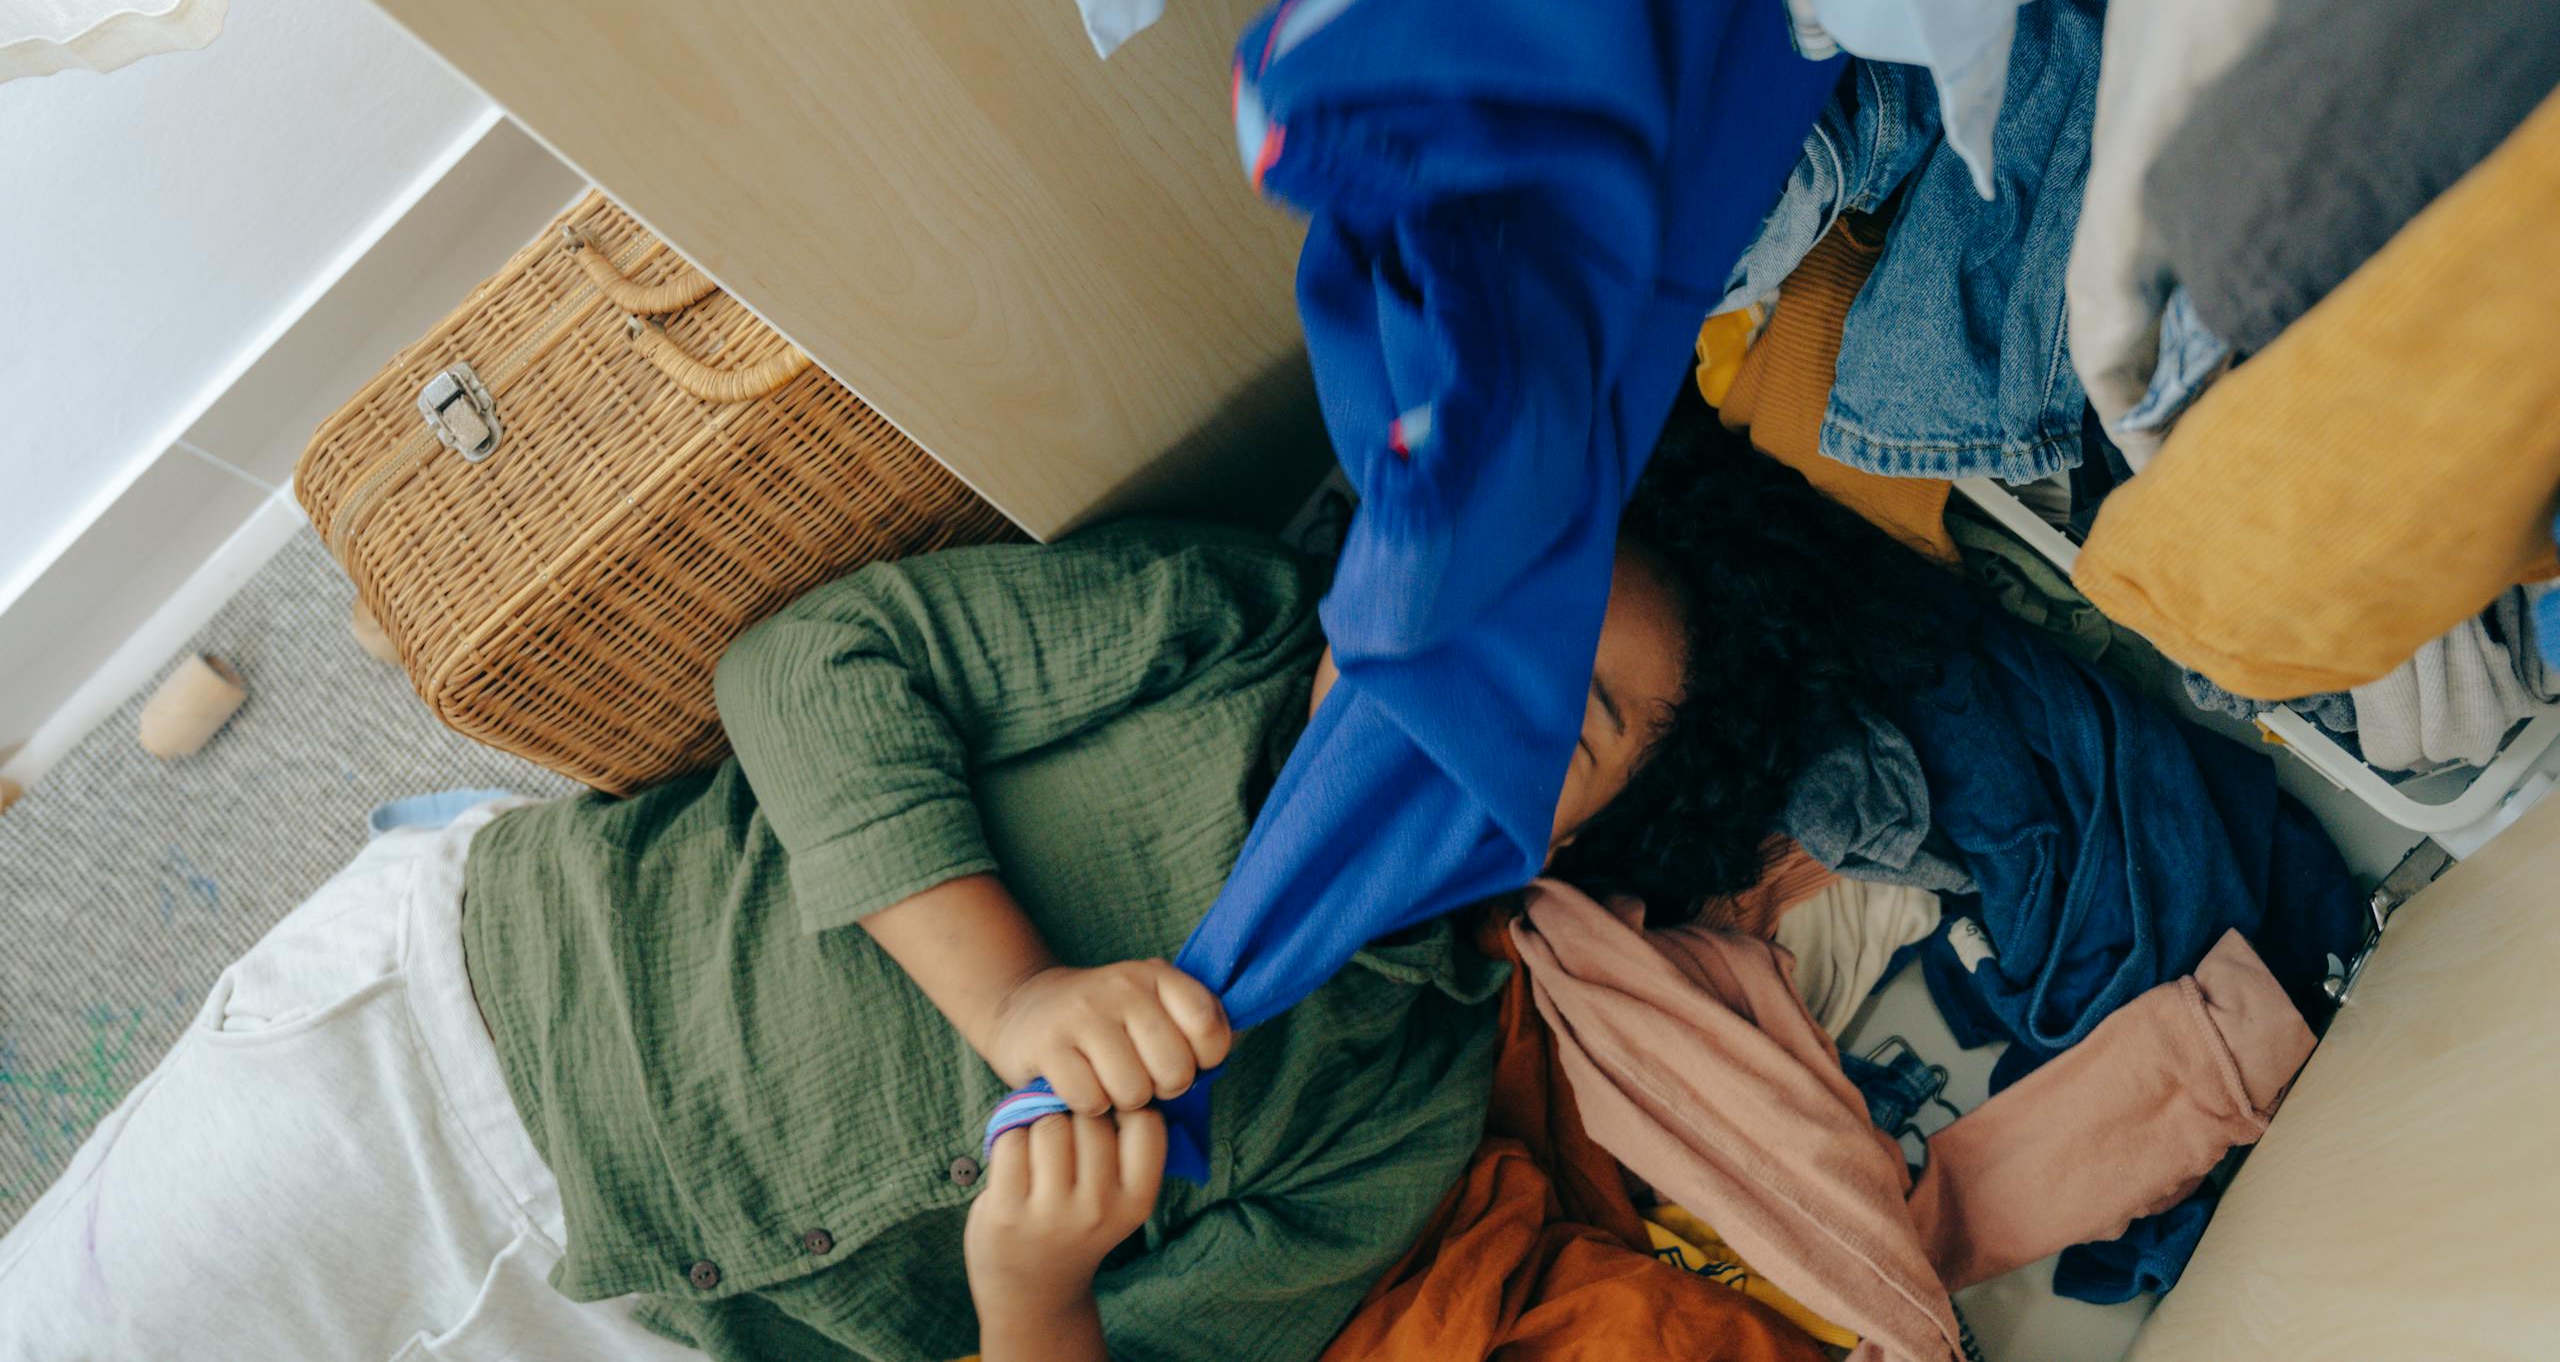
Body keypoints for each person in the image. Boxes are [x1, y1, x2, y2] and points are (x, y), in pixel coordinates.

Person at [0, 403, 1943, 1362]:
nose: (1484, 697)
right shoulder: (1203, 627)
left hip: (659, 1335)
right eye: (1487, 615)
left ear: (1581, 836)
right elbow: (810, 673)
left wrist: (1036, 1289)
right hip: (467, 1049)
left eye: (1572, 722)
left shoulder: (1392, 1101)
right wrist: (1007, 994)